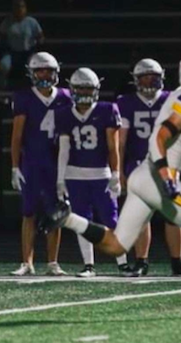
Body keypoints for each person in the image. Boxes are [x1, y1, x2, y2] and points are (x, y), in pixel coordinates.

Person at [44, 50, 181, 318]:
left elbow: (180, 147)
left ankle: (69, 219)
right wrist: (167, 177)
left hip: (145, 174)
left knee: (117, 245)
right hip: (157, 177)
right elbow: (159, 140)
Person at [117, 58, 181, 277]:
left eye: (153, 76)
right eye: (145, 77)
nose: (149, 81)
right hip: (139, 164)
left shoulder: (172, 100)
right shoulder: (126, 102)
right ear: (136, 80)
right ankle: (142, 261)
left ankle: (177, 261)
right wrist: (120, 171)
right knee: (141, 215)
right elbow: (121, 141)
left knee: (172, 215)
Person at [55, 67, 131, 277]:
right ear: (72, 89)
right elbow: (64, 149)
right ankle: (88, 265)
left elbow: (112, 146)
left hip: (101, 173)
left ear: (96, 90)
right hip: (74, 174)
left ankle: (122, 263)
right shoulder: (64, 114)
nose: (85, 94)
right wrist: (60, 179)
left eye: (89, 89)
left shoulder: (107, 110)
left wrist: (116, 172)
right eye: (81, 89)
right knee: (82, 221)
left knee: (112, 219)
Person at [9, 52, 70, 276]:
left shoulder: (65, 96)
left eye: (48, 71)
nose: (44, 75)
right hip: (33, 161)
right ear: (32, 73)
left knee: (56, 213)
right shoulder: (24, 97)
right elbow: (16, 137)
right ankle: (27, 261)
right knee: (29, 212)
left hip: (57, 163)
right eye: (40, 71)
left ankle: (53, 262)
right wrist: (15, 166)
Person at [0, 0, 43, 90]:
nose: (19, 9)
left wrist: (38, 42)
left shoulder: (32, 22)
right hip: (12, 53)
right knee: (2, 68)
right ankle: (3, 91)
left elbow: (40, 36)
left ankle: (35, 91)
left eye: (22, 7)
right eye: (17, 7)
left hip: (28, 52)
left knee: (35, 68)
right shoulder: (8, 21)